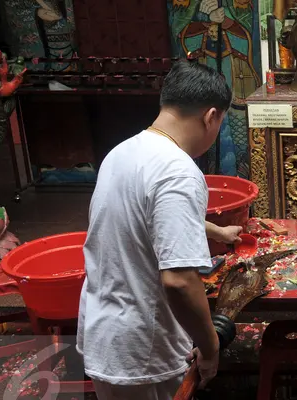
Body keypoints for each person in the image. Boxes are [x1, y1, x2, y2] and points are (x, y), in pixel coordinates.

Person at [77, 60, 242, 399]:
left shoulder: (123, 152)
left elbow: (143, 217)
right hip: (144, 351)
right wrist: (210, 347)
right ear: (211, 116)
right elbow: (179, 280)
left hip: (104, 331)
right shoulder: (179, 172)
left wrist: (217, 233)